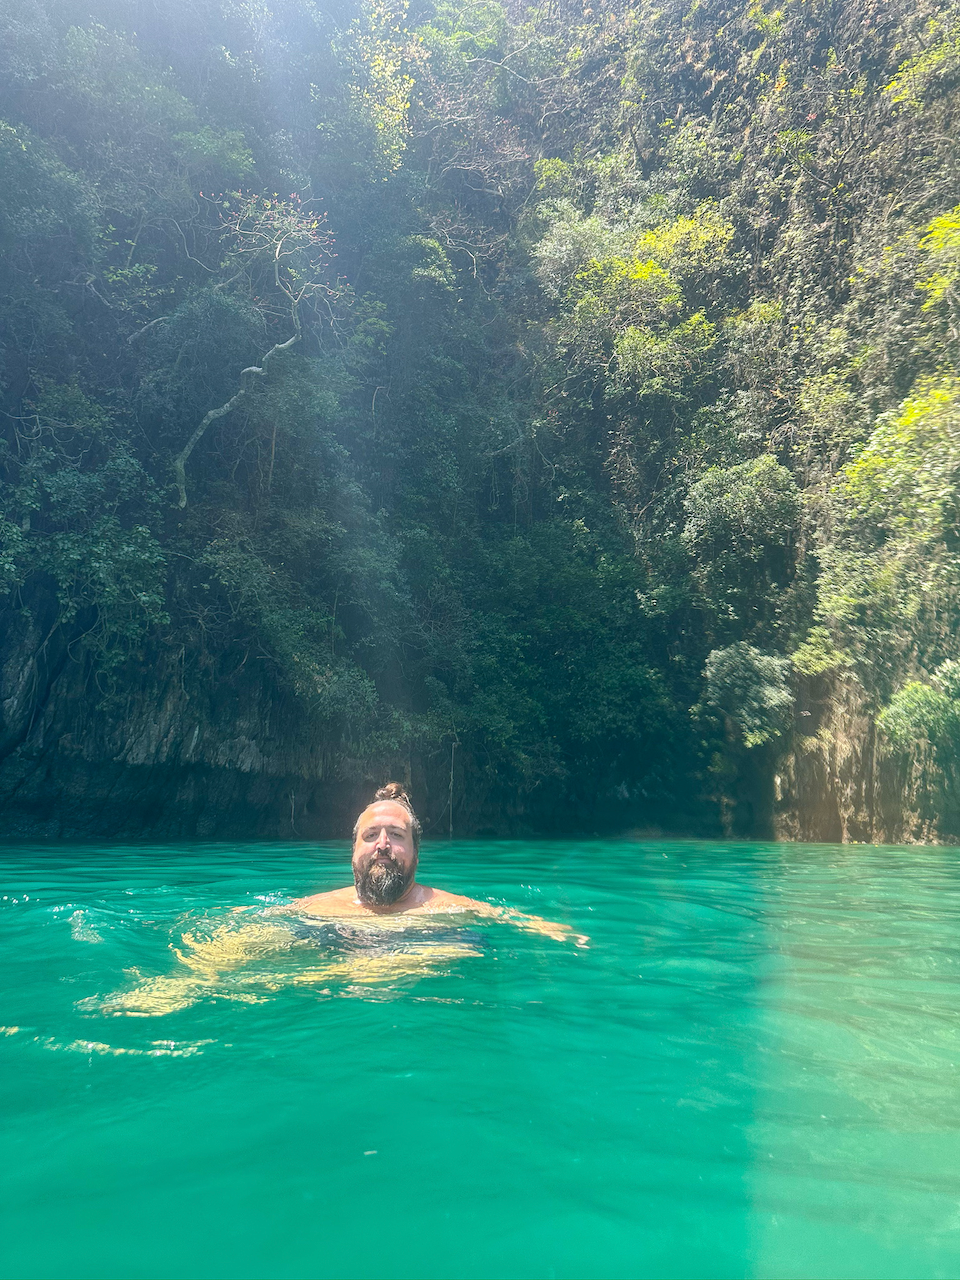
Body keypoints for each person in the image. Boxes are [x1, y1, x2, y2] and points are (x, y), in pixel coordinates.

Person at [294, 782, 587, 945]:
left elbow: (514, 920)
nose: (382, 844)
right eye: (371, 835)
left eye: (395, 835)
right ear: (353, 851)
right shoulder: (314, 909)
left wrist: (561, 933)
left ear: (416, 855)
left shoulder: (451, 908)